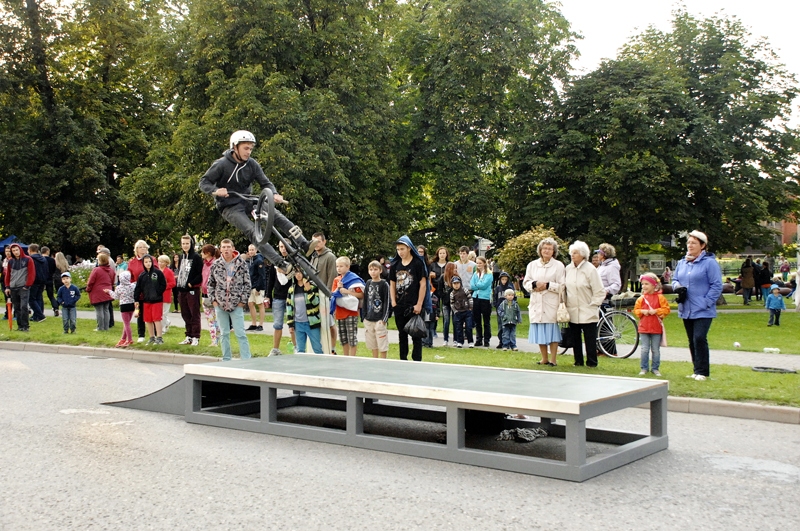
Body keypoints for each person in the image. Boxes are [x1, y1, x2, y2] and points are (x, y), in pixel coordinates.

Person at [199, 130, 316, 274]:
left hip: (249, 200)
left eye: (251, 149)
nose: (249, 152)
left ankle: (304, 244)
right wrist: (216, 190)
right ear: (235, 147)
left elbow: (265, 183)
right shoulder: (221, 164)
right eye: (245, 148)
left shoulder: (252, 164)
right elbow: (204, 182)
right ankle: (281, 263)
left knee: (277, 215)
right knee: (252, 231)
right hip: (230, 207)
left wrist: (274, 193)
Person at [672, 230, 723, 381]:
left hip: (703, 309)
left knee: (700, 338)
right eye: (688, 242)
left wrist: (706, 301)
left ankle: (703, 372)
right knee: (691, 340)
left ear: (703, 246)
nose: (690, 245)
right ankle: (696, 370)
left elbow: (717, 285)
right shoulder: (683, 262)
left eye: (694, 243)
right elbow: (674, 279)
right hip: (686, 308)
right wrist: (677, 287)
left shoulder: (709, 263)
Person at [523, 237, 566, 367]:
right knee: (539, 331)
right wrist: (535, 284)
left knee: (552, 331)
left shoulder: (558, 266)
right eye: (544, 248)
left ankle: (553, 359)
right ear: (540, 250)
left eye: (549, 249)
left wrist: (548, 286)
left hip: (550, 302)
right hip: (536, 301)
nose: (546, 251)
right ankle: (544, 358)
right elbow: (526, 282)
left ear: (554, 251)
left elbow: (562, 286)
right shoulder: (532, 265)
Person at [207, 239, 252, 361]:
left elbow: (247, 284)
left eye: (228, 247)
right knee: (224, 333)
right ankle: (226, 359)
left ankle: (246, 359)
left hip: (236, 304)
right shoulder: (216, 264)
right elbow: (210, 283)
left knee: (240, 333)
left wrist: (242, 301)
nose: (226, 249)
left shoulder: (241, 263)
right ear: (220, 249)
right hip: (220, 304)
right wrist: (214, 301)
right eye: (223, 247)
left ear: (233, 248)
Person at [389, 235, 432, 361]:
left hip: (414, 305)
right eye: (398, 249)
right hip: (399, 305)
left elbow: (423, 284)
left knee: (416, 335)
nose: (400, 252)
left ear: (409, 248)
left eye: (402, 249)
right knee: (402, 335)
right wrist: (393, 302)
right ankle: (403, 359)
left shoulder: (418, 264)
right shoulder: (395, 264)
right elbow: (392, 283)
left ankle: (417, 360)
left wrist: (419, 304)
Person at [564, 241, 606, 368]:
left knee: (590, 338)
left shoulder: (590, 269)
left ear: (583, 254)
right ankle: (578, 361)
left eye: (575, 253)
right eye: (571, 252)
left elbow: (599, 290)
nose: (572, 255)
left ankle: (592, 362)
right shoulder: (568, 269)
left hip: (587, 308)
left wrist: (593, 304)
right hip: (572, 308)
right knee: (575, 337)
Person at [633, 273, 670, 376]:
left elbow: (666, 309)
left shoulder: (660, 298)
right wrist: (642, 312)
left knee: (655, 349)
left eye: (647, 284)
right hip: (644, 328)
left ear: (654, 285)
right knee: (644, 349)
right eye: (643, 284)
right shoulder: (641, 298)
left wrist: (657, 311)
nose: (644, 286)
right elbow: (636, 310)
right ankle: (644, 368)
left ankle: (655, 368)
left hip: (656, 328)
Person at [331, 256, 364, 356]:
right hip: (340, 312)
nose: (339, 268)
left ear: (348, 267)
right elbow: (333, 294)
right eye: (337, 266)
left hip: (351, 313)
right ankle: (345, 357)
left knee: (351, 337)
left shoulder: (354, 279)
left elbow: (361, 295)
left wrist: (347, 291)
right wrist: (338, 289)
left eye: (341, 266)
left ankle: (352, 357)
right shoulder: (336, 280)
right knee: (343, 338)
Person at [310, 232, 337, 353]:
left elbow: (332, 277)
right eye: (314, 242)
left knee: (330, 324)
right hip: (314, 296)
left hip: (325, 296)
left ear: (324, 242)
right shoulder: (313, 256)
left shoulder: (330, 257)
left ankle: (332, 348)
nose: (316, 244)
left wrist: (329, 295)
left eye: (318, 241)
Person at [286, 269, 323, 354]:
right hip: (298, 323)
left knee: (317, 348)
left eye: (300, 272)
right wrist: (290, 324)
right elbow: (289, 307)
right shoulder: (291, 289)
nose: (298, 274)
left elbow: (316, 303)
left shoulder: (312, 287)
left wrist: (309, 290)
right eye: (296, 273)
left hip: (312, 323)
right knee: (300, 350)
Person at [176, 235, 204, 346]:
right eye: (183, 243)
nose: (185, 246)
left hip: (192, 289)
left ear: (191, 244)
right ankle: (188, 335)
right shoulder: (182, 256)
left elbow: (200, 273)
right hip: (182, 290)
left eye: (187, 243)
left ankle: (196, 336)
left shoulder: (196, 257)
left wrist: (191, 283)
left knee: (194, 313)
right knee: (185, 313)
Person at [133, 254, 167, 344]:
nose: (148, 264)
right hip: (146, 300)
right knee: (148, 319)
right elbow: (138, 288)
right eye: (146, 262)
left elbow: (163, 284)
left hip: (157, 300)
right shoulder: (142, 275)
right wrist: (136, 299)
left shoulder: (158, 273)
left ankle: (159, 337)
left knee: (156, 319)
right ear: (143, 263)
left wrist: (157, 293)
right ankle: (151, 337)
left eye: (149, 262)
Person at [267, 241, 293, 356]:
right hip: (278, 296)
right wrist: (268, 295)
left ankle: (296, 348)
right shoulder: (275, 261)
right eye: (281, 246)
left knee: (292, 324)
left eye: (285, 246)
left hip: (291, 296)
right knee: (277, 324)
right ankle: (275, 349)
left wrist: (286, 272)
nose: (283, 249)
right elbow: (271, 280)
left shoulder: (294, 261)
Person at [362, 260, 390, 358]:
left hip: (379, 319)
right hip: (369, 318)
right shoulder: (368, 283)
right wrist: (364, 316)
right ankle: (375, 360)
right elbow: (365, 299)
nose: (373, 271)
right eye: (371, 269)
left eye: (375, 269)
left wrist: (384, 319)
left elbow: (387, 301)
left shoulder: (384, 284)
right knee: (372, 343)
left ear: (380, 270)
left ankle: (383, 361)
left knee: (382, 342)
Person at [3, 244, 34, 331]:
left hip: (23, 287)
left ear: (20, 250)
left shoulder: (28, 259)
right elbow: (8, 275)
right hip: (13, 287)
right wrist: (7, 286)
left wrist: (27, 285)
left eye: (17, 250)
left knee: (23, 306)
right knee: (16, 307)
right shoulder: (10, 262)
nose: (16, 252)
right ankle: (20, 326)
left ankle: (25, 326)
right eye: (14, 251)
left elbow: (31, 273)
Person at [128, 240, 153, 342]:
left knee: (151, 313)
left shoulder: (152, 260)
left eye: (145, 247)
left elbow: (156, 272)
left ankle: (154, 334)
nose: (143, 249)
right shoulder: (132, 262)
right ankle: (141, 335)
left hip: (150, 292)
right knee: (139, 313)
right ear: (136, 250)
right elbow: (130, 275)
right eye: (141, 247)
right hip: (138, 291)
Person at [104, 270, 136, 347]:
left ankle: (129, 339)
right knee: (127, 323)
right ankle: (123, 338)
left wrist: (109, 292)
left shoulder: (119, 288)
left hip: (124, 305)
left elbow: (116, 296)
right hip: (132, 305)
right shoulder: (132, 286)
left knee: (126, 323)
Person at [86, 253, 116, 331]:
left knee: (99, 310)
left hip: (98, 292)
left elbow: (90, 282)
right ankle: (106, 327)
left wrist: (88, 289)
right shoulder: (111, 271)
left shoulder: (96, 270)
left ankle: (100, 327)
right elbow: (112, 281)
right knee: (106, 310)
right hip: (107, 292)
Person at [200, 244, 222, 347]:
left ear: (208, 253)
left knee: (215, 319)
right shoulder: (205, 264)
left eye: (203, 252)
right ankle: (215, 339)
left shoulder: (215, 264)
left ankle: (217, 339)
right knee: (210, 319)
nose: (201, 254)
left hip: (213, 295)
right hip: (204, 293)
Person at [470, 256, 493, 347]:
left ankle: (487, 339)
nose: (478, 265)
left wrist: (477, 285)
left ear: (484, 263)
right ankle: (479, 338)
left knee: (486, 320)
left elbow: (484, 285)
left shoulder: (489, 274)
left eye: (480, 263)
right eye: (477, 263)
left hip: (485, 298)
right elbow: (472, 285)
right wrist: (477, 286)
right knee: (477, 320)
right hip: (476, 297)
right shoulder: (475, 274)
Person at [430, 247, 450, 344]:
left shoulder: (449, 265)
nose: (442, 255)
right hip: (435, 289)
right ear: (437, 254)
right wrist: (430, 274)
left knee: (445, 311)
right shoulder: (432, 265)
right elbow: (428, 274)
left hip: (446, 291)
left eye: (444, 253)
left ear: (446, 254)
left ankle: (445, 332)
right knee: (435, 309)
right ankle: (433, 329)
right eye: (440, 253)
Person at [246, 244, 267, 331]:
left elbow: (262, 275)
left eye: (252, 249)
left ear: (256, 250)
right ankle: (253, 323)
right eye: (250, 250)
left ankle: (261, 324)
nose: (251, 251)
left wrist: (258, 288)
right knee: (250, 303)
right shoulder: (251, 260)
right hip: (251, 285)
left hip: (258, 286)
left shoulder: (259, 260)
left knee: (260, 304)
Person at [449, 276, 474, 348]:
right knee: (458, 328)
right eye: (454, 284)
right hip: (458, 312)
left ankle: (470, 341)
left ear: (460, 283)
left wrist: (470, 308)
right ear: (452, 284)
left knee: (469, 327)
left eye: (457, 283)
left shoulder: (465, 290)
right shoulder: (452, 293)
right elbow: (452, 303)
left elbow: (470, 299)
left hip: (467, 311)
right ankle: (460, 341)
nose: (456, 285)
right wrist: (455, 311)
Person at [26, 244, 48, 322]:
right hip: (42, 280)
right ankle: (37, 315)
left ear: (30, 250)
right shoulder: (43, 259)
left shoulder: (31, 259)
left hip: (34, 280)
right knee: (39, 297)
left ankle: (40, 315)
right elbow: (46, 270)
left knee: (31, 299)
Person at [492, 272, 514, 349]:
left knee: (507, 326)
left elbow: (514, 298)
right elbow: (494, 297)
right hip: (499, 310)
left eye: (505, 279)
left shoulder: (510, 288)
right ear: (500, 280)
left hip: (508, 310)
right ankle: (501, 341)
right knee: (500, 326)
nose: (504, 281)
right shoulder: (497, 288)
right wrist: (495, 305)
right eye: (502, 279)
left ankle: (508, 342)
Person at [157, 255, 177, 334]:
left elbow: (173, 283)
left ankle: (163, 329)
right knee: (159, 313)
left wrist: (164, 286)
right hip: (158, 295)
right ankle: (167, 322)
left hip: (166, 294)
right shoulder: (157, 271)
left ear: (166, 263)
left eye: (162, 262)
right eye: (159, 262)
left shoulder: (169, 272)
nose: (160, 263)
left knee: (164, 313)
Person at [440, 262, 457, 347]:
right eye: (454, 268)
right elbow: (439, 290)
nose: (455, 270)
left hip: (455, 303)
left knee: (455, 321)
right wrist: (444, 297)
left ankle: (455, 339)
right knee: (446, 321)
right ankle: (445, 339)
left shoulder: (457, 278)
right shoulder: (443, 278)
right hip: (446, 303)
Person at [40, 246, 59, 317]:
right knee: (51, 296)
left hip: (41, 279)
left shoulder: (40, 259)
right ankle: (55, 307)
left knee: (39, 295)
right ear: (47, 251)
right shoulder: (52, 260)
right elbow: (54, 269)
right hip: (50, 279)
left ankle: (40, 310)